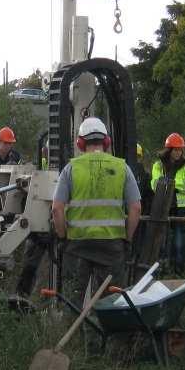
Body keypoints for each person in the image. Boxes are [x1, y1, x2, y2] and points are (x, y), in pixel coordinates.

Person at [51, 117, 142, 302]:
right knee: (111, 303)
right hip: (112, 246)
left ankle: (73, 329)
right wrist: (127, 239)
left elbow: (56, 210)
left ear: (80, 143)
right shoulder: (122, 167)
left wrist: (62, 237)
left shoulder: (71, 169)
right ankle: (106, 330)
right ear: (106, 142)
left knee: (72, 301)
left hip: (77, 245)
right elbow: (136, 208)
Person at [151, 133, 185, 273]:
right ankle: (162, 272)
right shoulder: (158, 165)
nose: (178, 152)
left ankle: (179, 272)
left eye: (180, 150)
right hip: (163, 208)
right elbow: (155, 184)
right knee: (161, 243)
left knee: (179, 244)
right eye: (175, 149)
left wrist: (170, 184)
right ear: (168, 150)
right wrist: (175, 185)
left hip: (181, 209)